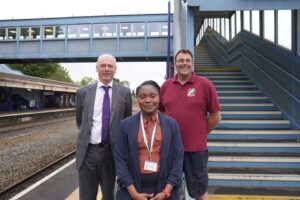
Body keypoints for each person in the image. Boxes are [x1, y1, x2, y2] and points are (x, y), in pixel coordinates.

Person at [159, 49, 221, 200]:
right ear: (175, 64)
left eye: (187, 60)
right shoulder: (166, 86)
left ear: (192, 64)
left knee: (199, 192)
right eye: (181, 60)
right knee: (168, 190)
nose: (184, 63)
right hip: (170, 149)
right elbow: (160, 113)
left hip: (196, 150)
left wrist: (200, 134)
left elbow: (216, 116)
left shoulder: (205, 84)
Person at [75, 54, 132, 200]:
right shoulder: (83, 92)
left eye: (110, 66)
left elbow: (126, 123)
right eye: (103, 66)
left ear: (115, 69)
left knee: (109, 195)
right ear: (97, 68)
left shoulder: (124, 93)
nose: (106, 69)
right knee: (87, 196)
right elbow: (80, 121)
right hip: (88, 153)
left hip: (111, 153)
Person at [114, 80, 184, 200]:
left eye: (153, 96)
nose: (148, 100)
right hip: (132, 187)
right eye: (142, 97)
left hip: (165, 187)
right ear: (138, 99)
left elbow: (177, 158)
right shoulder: (125, 125)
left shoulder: (171, 125)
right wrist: (134, 194)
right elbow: (120, 160)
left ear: (159, 98)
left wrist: (166, 192)